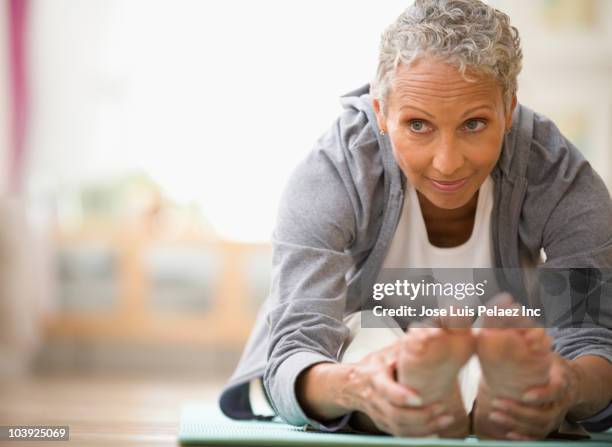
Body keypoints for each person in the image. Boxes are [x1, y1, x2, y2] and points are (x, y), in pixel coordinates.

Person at [219, 0, 612, 439]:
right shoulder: (331, 172)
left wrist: (565, 386)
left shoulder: (559, 176)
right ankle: (412, 384)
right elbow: (298, 347)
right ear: (382, 113)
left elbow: (590, 341)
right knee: (371, 347)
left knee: (515, 342)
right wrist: (360, 386)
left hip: (504, 342)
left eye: (475, 124)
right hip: (358, 339)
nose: (447, 163)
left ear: (509, 109)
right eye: (419, 125)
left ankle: (500, 393)